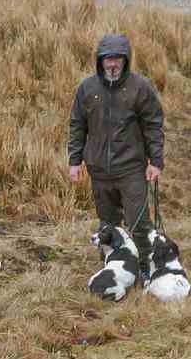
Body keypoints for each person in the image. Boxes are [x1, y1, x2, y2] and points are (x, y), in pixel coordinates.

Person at [68, 33, 165, 282]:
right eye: (107, 59)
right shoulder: (87, 88)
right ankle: (113, 267)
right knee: (107, 224)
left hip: (131, 168)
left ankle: (145, 268)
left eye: (117, 59)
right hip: (99, 169)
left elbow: (153, 125)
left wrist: (155, 161)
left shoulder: (140, 87)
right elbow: (77, 125)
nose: (112, 64)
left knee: (138, 222)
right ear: (99, 61)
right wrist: (74, 160)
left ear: (126, 60)